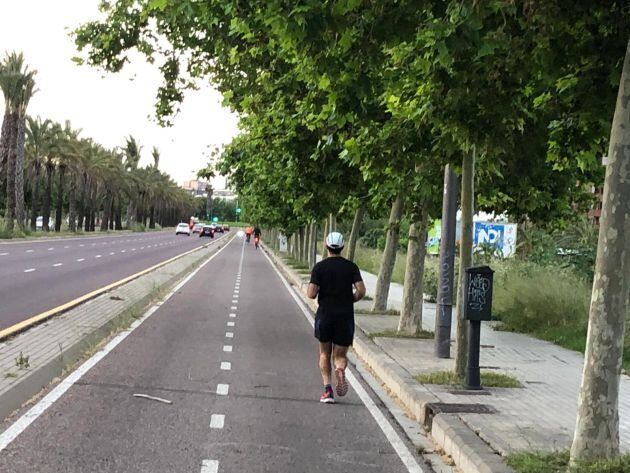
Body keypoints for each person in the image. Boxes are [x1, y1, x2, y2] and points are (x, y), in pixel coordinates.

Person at [307, 232, 366, 404]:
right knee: (340, 355)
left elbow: (311, 293)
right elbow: (361, 290)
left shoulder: (319, 267)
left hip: (325, 314)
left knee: (324, 353)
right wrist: (351, 299)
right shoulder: (351, 267)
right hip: (345, 316)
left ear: (326, 246)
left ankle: (327, 390)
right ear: (343, 247)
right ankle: (340, 368)